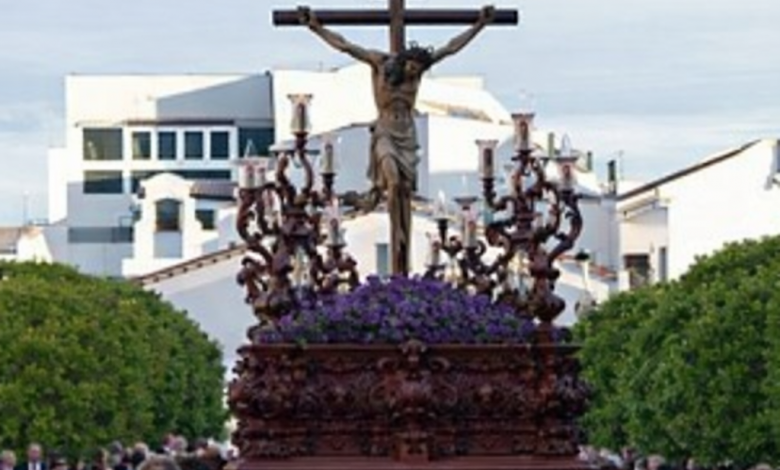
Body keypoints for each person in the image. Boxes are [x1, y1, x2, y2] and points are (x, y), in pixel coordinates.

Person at [298, 5, 496, 274]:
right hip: (385, 132)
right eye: (412, 68)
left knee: (403, 190)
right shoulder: (379, 63)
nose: (414, 74)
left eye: (419, 71)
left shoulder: (419, 70)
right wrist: (316, 28)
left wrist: (479, 26)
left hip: (407, 135)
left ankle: (403, 239)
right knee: (392, 179)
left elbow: (451, 48)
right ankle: (397, 233)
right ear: (405, 61)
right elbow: (345, 46)